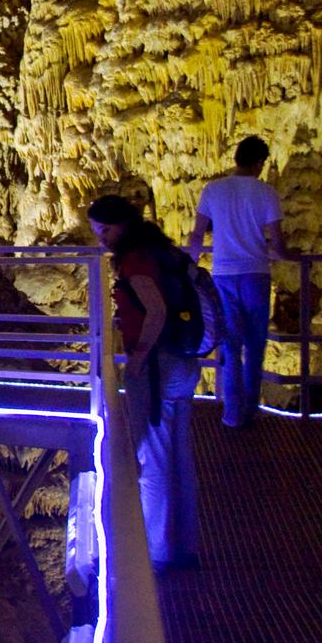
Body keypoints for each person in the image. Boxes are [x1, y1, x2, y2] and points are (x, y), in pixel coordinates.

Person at [88, 194, 200, 575]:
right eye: (96, 230)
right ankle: (184, 544)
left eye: (105, 228)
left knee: (152, 459)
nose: (101, 237)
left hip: (157, 366)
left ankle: (156, 553)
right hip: (182, 361)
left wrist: (137, 358)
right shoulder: (161, 251)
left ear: (124, 225)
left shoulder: (136, 259)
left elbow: (156, 310)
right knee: (179, 456)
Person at [189, 136, 293, 428]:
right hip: (256, 274)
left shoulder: (214, 189)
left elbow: (197, 235)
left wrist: (190, 267)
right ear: (259, 162)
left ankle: (232, 414)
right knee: (255, 344)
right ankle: (251, 409)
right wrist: (293, 257)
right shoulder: (266, 192)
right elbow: (278, 243)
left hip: (224, 274)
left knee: (231, 345)